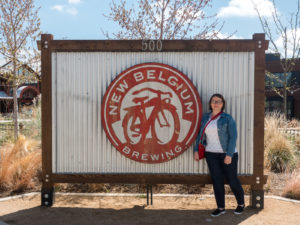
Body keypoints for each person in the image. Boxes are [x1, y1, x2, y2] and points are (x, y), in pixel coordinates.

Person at [194, 93, 245, 217]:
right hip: (211, 154)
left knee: (232, 180)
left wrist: (229, 154)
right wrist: (196, 149)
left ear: (222, 104)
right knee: (217, 180)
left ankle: (241, 204)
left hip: (226, 154)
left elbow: (233, 137)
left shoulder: (227, 118)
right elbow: (199, 135)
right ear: (210, 104)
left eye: (219, 101)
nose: (216, 103)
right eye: (214, 101)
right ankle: (221, 207)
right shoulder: (205, 117)